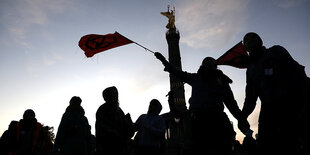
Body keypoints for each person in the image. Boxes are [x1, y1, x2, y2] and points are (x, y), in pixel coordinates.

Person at [155, 53, 250, 155]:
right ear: (202, 65)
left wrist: (241, 118)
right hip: (199, 120)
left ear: (215, 66)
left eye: (210, 62)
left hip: (217, 119)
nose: (208, 64)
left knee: (222, 149)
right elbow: (178, 73)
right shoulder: (195, 78)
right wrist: (164, 60)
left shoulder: (222, 81)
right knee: (201, 149)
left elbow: (231, 103)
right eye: (206, 62)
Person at [241, 32, 309, 154]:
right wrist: (242, 116)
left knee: (292, 143)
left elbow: (298, 73)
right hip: (268, 110)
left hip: (289, 104)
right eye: (247, 40)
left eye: (254, 37)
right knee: (266, 146)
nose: (251, 40)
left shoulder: (276, 51)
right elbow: (250, 97)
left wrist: (303, 99)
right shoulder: (250, 69)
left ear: (260, 41)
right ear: (245, 47)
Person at [95, 86, 134, 155]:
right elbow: (101, 127)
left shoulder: (119, 110)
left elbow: (124, 127)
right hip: (107, 145)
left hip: (119, 145)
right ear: (106, 97)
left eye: (115, 94)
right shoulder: (102, 109)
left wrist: (128, 122)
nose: (115, 97)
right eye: (112, 94)